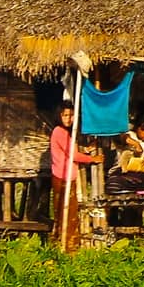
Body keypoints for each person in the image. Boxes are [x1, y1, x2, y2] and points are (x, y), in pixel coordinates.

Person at [50, 101, 102, 251]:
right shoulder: (59, 132)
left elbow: (71, 151)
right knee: (68, 213)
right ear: (59, 116)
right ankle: (68, 247)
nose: (69, 118)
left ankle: (62, 243)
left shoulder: (65, 133)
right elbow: (73, 155)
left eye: (71, 115)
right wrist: (92, 159)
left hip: (65, 177)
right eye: (65, 115)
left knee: (65, 212)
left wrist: (86, 150)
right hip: (62, 178)